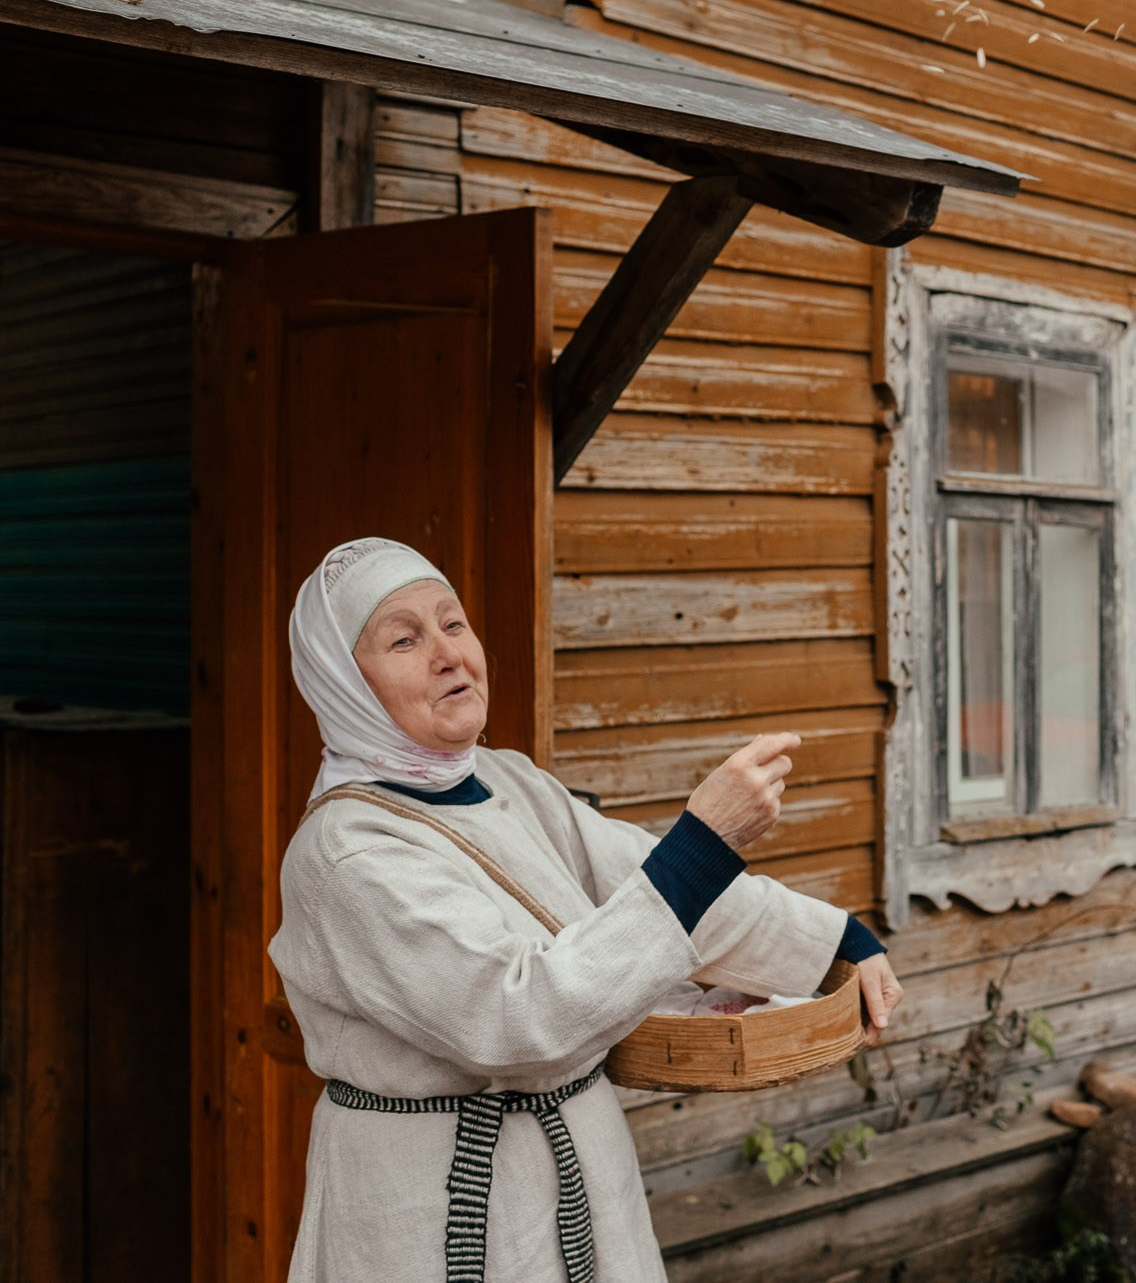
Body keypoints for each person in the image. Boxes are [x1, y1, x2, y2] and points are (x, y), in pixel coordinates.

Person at [270, 537, 902, 1282]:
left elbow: (655, 883)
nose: (446, 654)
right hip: (434, 1208)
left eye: (452, 623)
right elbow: (516, 1015)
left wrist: (839, 938)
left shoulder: (510, 783)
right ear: (344, 683)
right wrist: (705, 839)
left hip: (578, 1171)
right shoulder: (346, 853)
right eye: (403, 639)